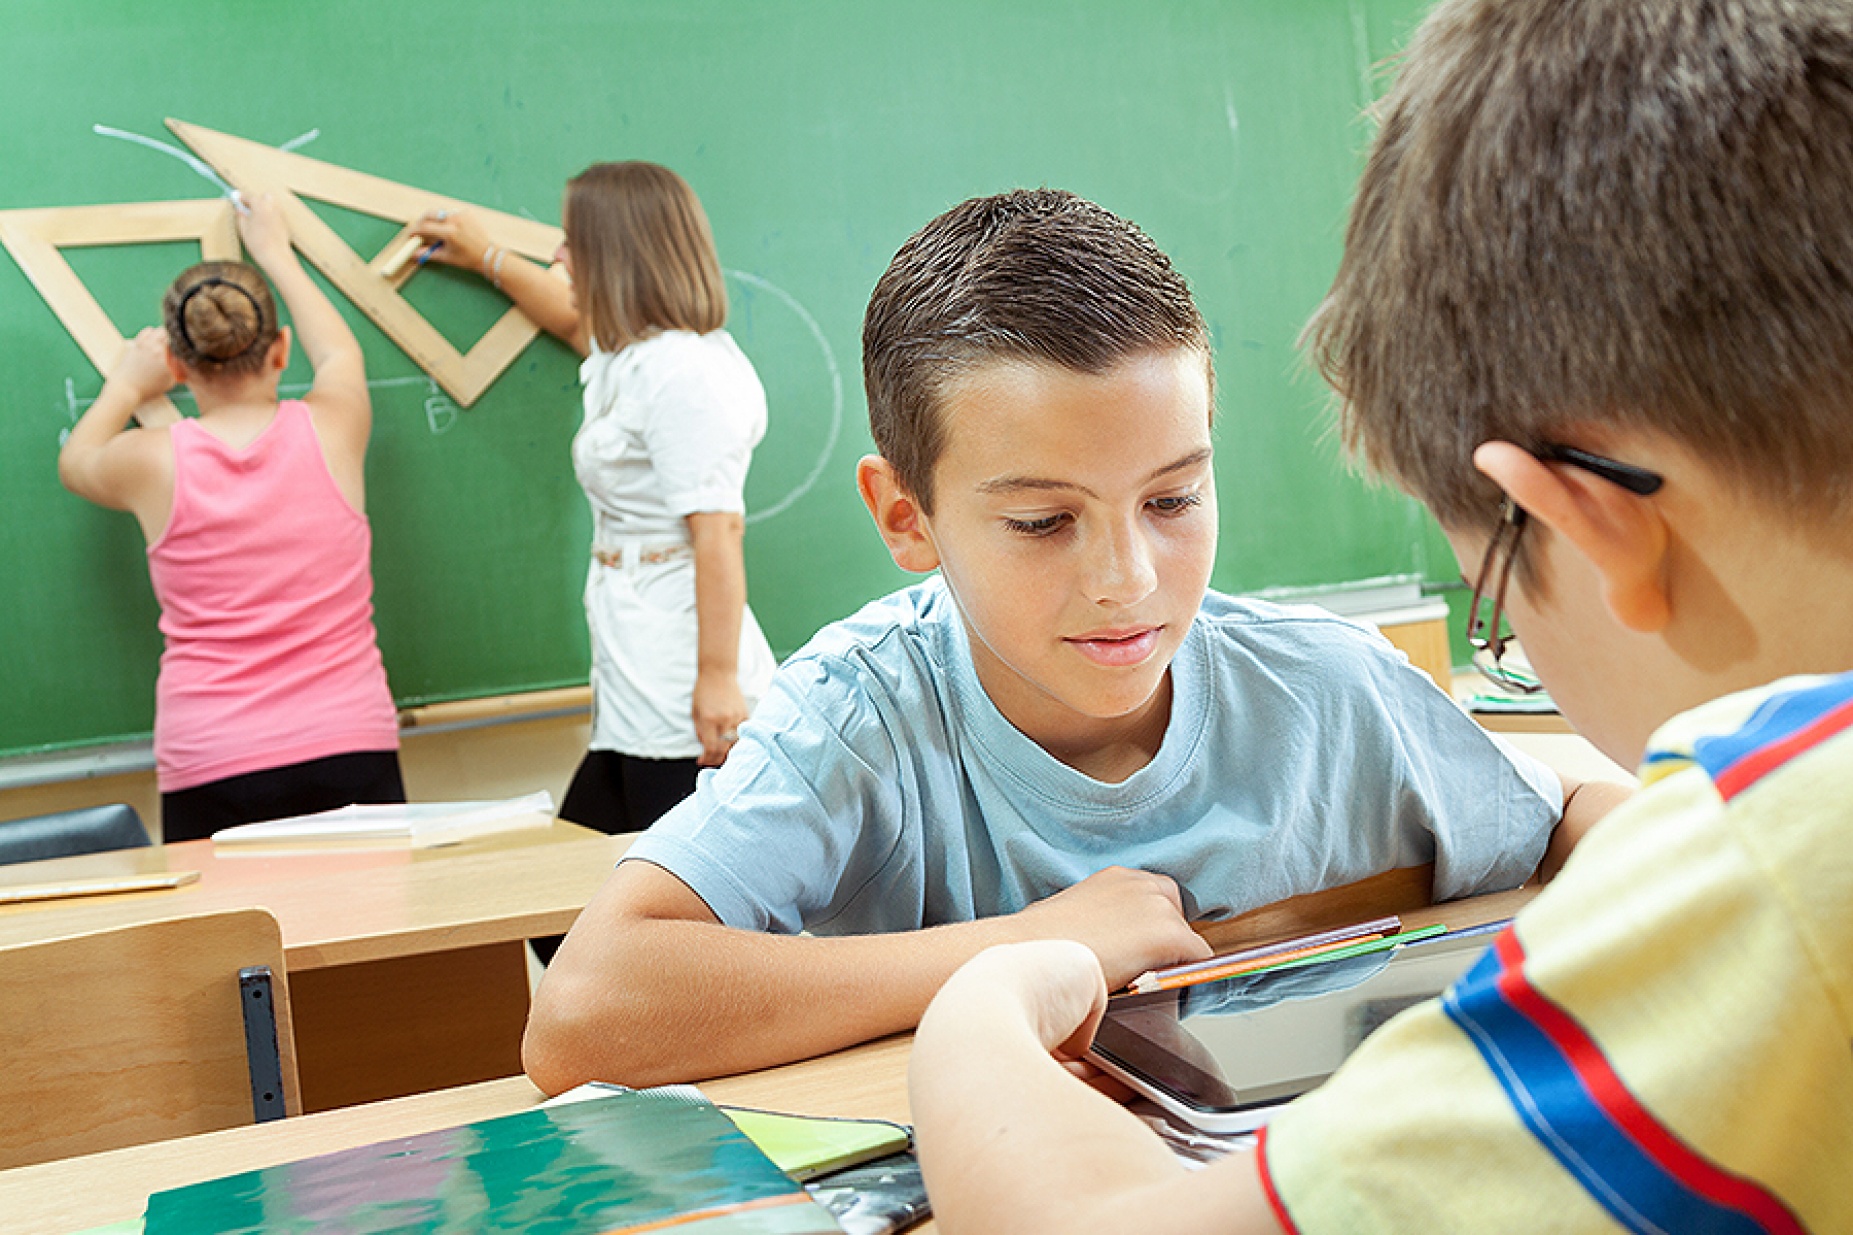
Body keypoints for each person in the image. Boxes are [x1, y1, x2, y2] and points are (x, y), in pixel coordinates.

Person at [907, 2, 1853, 1231]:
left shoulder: (1775, 860)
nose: (1124, 577)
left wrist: (980, 1004)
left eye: (1489, 595)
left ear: (1572, 519)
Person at [522, 187, 1625, 1092]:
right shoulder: (859, 714)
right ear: (907, 516)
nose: (1127, 582)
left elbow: (1567, 819)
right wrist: (1030, 944)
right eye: (1043, 521)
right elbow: (583, 1009)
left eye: (1172, 499)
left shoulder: (1324, 682)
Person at [408, 162, 775, 836]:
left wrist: (717, 680)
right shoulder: (631, 355)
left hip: (677, 668)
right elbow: (576, 326)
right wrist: (487, 254)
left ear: (615, 253)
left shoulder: (683, 372)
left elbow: (719, 529)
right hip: (634, 658)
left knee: (654, 902)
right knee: (579, 891)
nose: (555, 255)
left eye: (570, 242)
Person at [57, 194, 404, 842]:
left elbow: (76, 462)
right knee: (367, 940)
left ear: (179, 365)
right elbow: (339, 358)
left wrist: (128, 385)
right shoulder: (333, 427)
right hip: (347, 737)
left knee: (235, 946)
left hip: (211, 756)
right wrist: (275, 251)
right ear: (279, 350)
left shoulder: (151, 460)